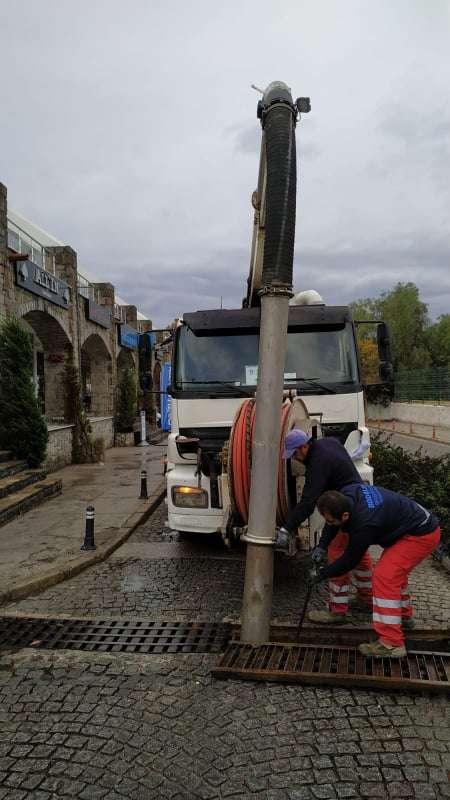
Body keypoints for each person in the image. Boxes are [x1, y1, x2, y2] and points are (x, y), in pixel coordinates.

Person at [309, 484, 441, 658]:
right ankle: (403, 617)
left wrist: (323, 574)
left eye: (331, 520)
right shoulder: (347, 495)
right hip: (414, 525)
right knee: (393, 572)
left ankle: (391, 643)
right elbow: (333, 523)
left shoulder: (365, 524)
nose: (329, 524)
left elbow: (350, 560)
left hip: (421, 535)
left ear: (346, 515)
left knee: (385, 576)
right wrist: (322, 546)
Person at [275, 429, 373, 621]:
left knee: (336, 554)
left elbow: (308, 501)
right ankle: (367, 598)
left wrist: (287, 528)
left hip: (345, 509)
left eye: (295, 453)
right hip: (359, 501)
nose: (295, 458)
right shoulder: (328, 443)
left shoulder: (318, 463)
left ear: (304, 446)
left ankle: (337, 611)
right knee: (359, 554)